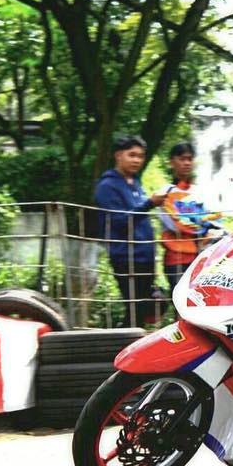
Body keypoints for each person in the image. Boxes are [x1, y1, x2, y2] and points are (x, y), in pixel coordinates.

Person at [93, 136, 166, 328]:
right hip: (126, 257)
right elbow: (119, 221)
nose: (136, 160)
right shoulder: (107, 186)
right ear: (118, 155)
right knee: (135, 308)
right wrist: (150, 203)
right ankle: (123, 348)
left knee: (144, 306)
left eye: (140, 156)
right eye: (131, 155)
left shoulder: (135, 182)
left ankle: (129, 343)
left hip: (145, 255)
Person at [156, 143, 223, 293]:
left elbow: (218, 220)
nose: (186, 163)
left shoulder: (199, 191)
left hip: (203, 258)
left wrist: (202, 223)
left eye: (190, 159)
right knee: (181, 305)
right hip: (177, 258)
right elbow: (177, 225)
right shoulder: (165, 193)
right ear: (172, 162)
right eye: (182, 159)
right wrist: (204, 225)